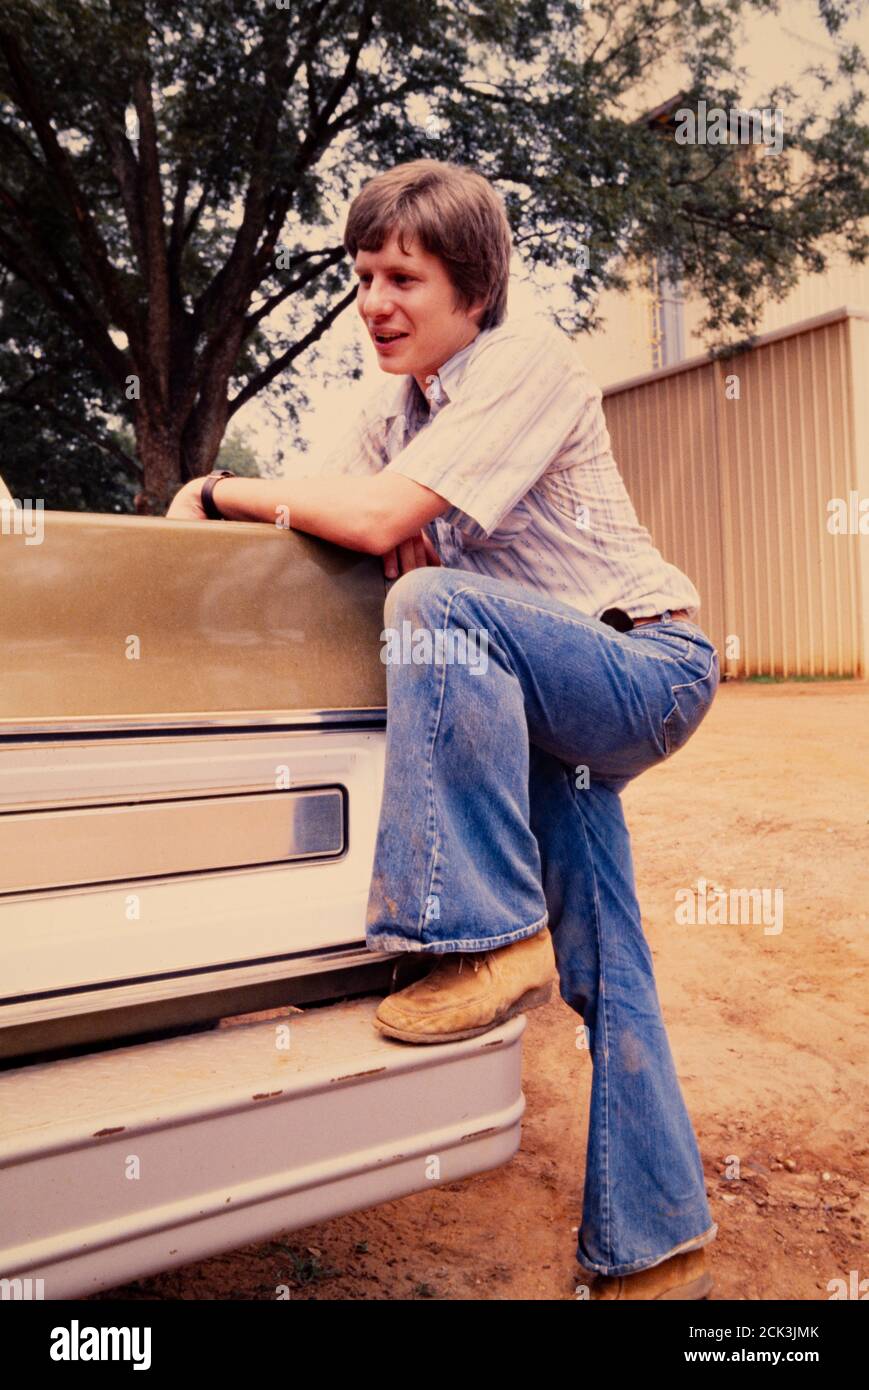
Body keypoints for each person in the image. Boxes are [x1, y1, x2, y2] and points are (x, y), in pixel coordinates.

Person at [167, 158, 720, 1301]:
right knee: (610, 964)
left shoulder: (525, 364)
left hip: (641, 667)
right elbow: (338, 514)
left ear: (472, 289)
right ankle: (657, 1243)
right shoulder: (392, 408)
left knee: (433, 600)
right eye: (362, 274)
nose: (374, 301)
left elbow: (371, 523)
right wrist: (353, 525)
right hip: (538, 711)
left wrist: (220, 488)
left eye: (403, 277)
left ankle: (480, 932)